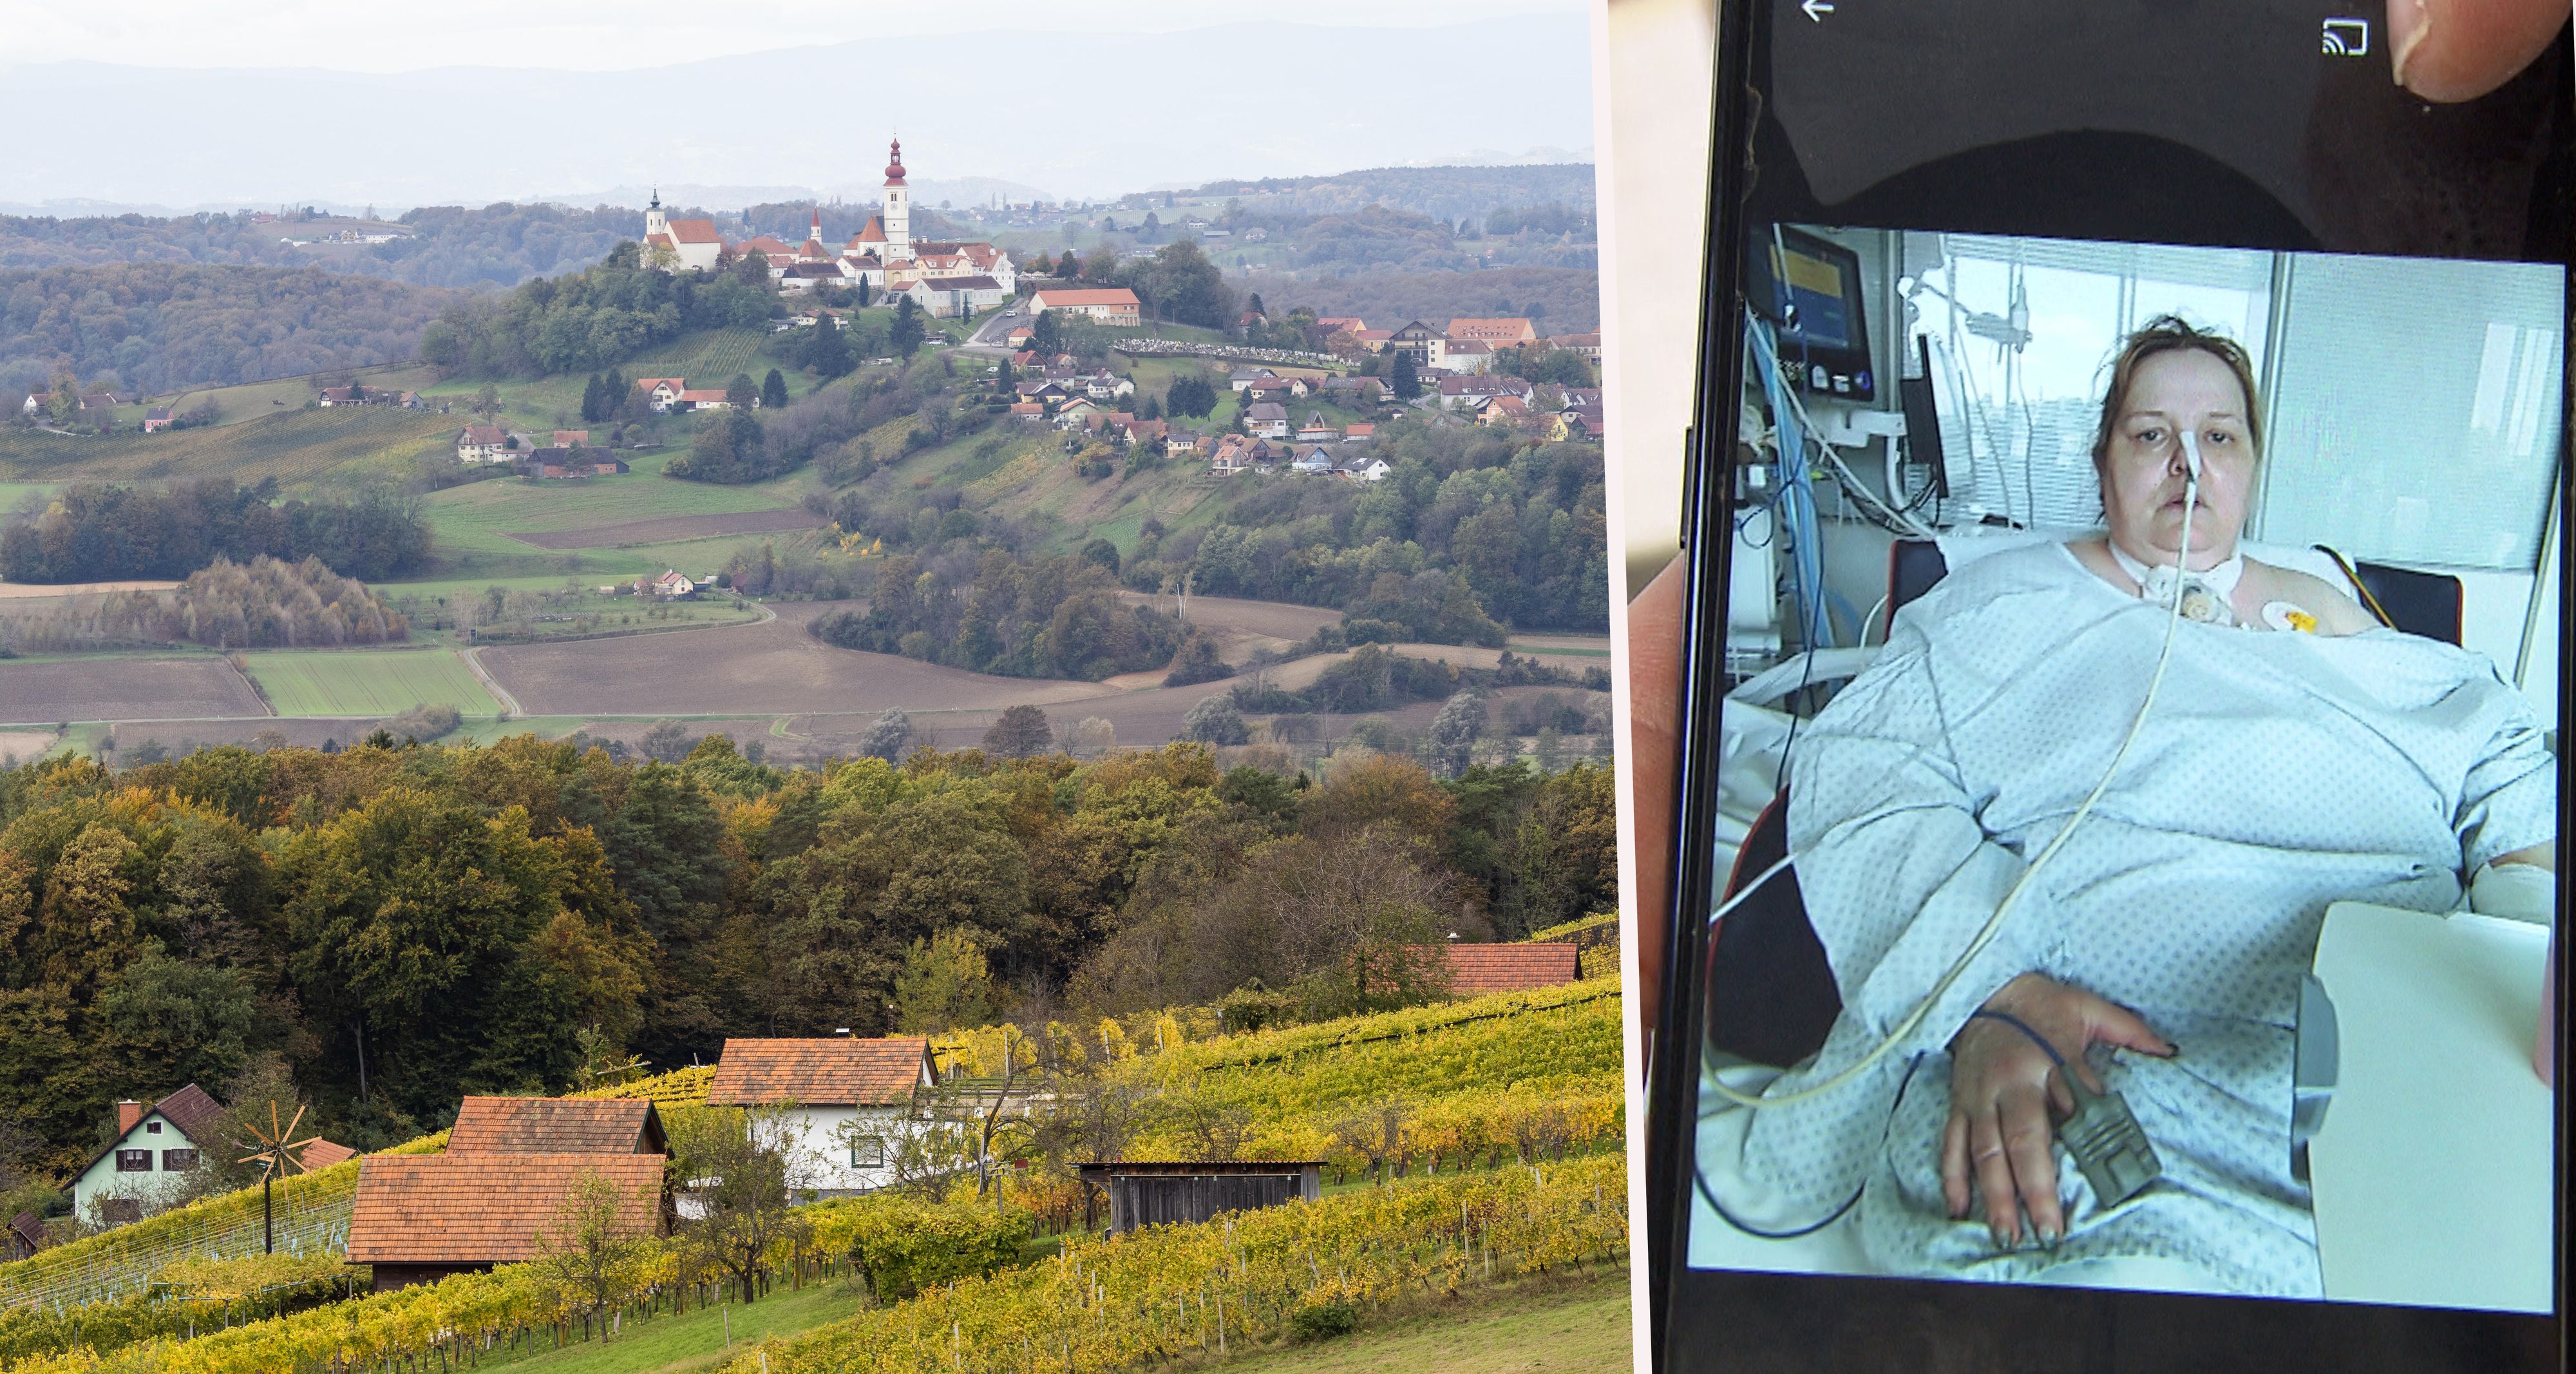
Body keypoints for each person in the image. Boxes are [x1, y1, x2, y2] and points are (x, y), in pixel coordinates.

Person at [1653, 311, 2559, 1295]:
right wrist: (1991, 992)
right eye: (2150, 435)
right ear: (2102, 463)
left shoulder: (2336, 615)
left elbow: (2507, 761)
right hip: (2095, 1050)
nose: (2187, 464)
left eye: (2219, 436)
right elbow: (1864, 770)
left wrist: (2515, 951)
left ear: (2252, 465)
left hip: (2402, 1045)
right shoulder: (2004, 605)